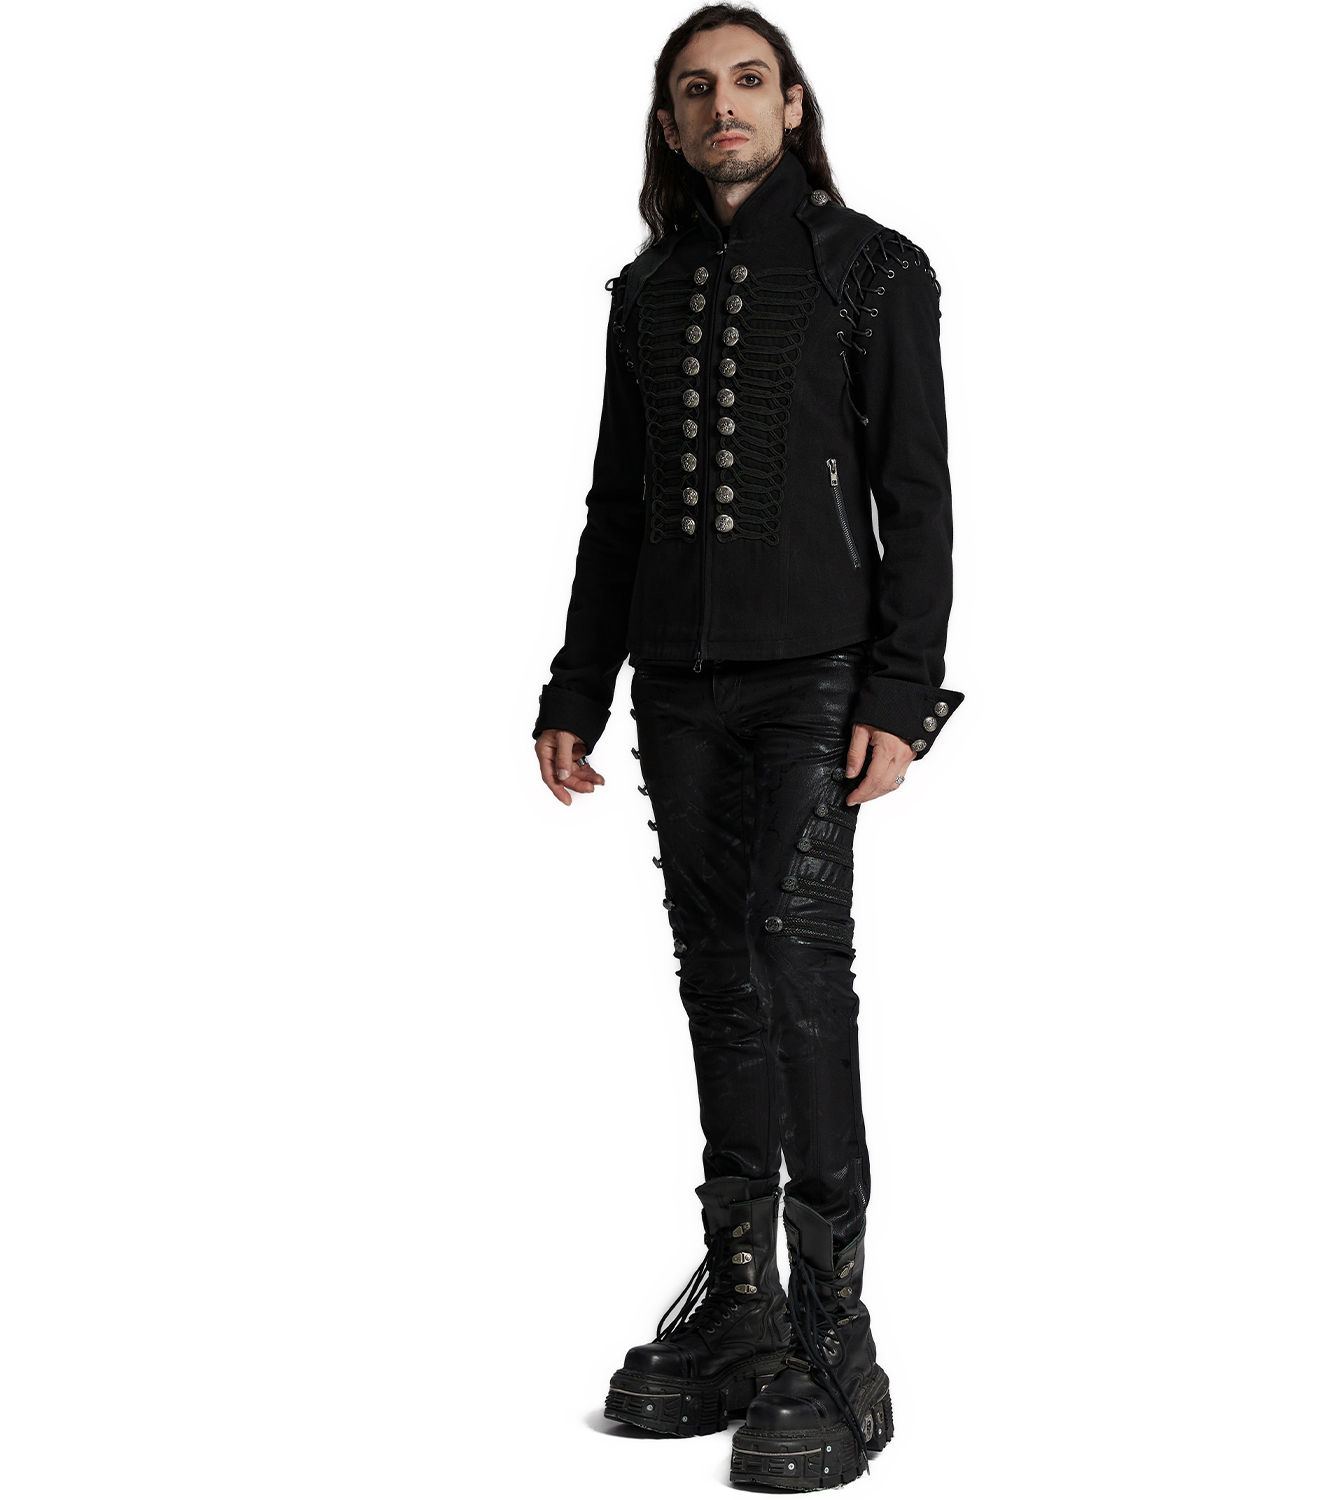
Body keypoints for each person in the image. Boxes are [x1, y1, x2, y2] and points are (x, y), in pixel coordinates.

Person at [531, 5, 963, 1487]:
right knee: (716, 975)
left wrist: (901, 690)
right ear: (670, 124)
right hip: (676, 685)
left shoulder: (871, 269)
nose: (725, 105)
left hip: (817, 682)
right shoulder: (645, 292)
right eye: (697, 89)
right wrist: (575, 687)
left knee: (797, 965)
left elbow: (918, 489)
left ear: (793, 106)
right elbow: (617, 503)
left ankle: (837, 1335)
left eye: (749, 83)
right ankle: (740, 1304)